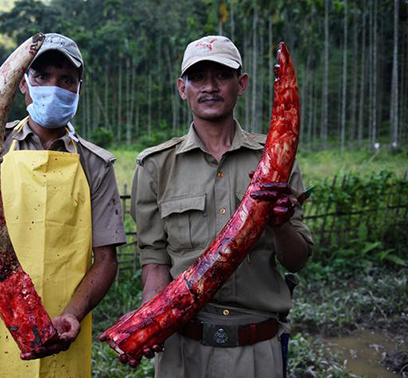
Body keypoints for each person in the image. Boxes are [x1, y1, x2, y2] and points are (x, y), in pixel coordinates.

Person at [0, 33, 126, 378]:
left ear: (79, 88)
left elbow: (105, 260)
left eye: (66, 80)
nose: (54, 86)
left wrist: (73, 314)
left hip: (59, 325)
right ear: (22, 84)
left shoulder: (94, 164)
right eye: (42, 77)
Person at [130, 36, 314, 377]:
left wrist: (280, 223)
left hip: (257, 349)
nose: (210, 87)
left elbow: (298, 259)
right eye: (198, 77)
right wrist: (150, 314)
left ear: (240, 84)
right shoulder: (156, 165)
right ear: (182, 87)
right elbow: (154, 257)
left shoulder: (274, 162)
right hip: (182, 349)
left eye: (222, 76)